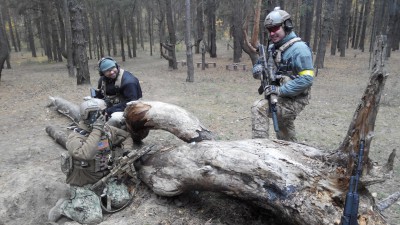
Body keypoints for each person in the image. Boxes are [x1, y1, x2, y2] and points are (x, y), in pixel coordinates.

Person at [48, 98, 136, 224]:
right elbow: (85, 154)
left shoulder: (107, 131)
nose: (104, 115)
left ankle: (96, 201)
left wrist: (127, 151)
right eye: (100, 113)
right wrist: (96, 130)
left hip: (105, 179)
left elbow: (126, 137)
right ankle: (64, 207)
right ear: (89, 115)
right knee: (93, 219)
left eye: (104, 112)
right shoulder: (76, 136)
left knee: (122, 199)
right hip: (83, 185)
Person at [251, 7, 314, 142]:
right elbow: (259, 64)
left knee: (259, 108)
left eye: (275, 29)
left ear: (287, 26)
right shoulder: (271, 48)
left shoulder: (300, 49)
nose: (272, 33)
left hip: (295, 99)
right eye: (269, 30)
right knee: (284, 131)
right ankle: (292, 152)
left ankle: (259, 148)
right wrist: (258, 71)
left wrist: (280, 90)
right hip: (278, 95)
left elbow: (307, 79)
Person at [94, 57, 143, 128]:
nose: (111, 72)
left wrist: (108, 111)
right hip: (113, 106)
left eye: (113, 68)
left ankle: (113, 133)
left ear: (116, 66)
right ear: (102, 73)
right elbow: (100, 95)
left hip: (130, 109)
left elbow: (131, 104)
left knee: (114, 118)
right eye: (107, 71)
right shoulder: (103, 80)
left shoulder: (129, 82)